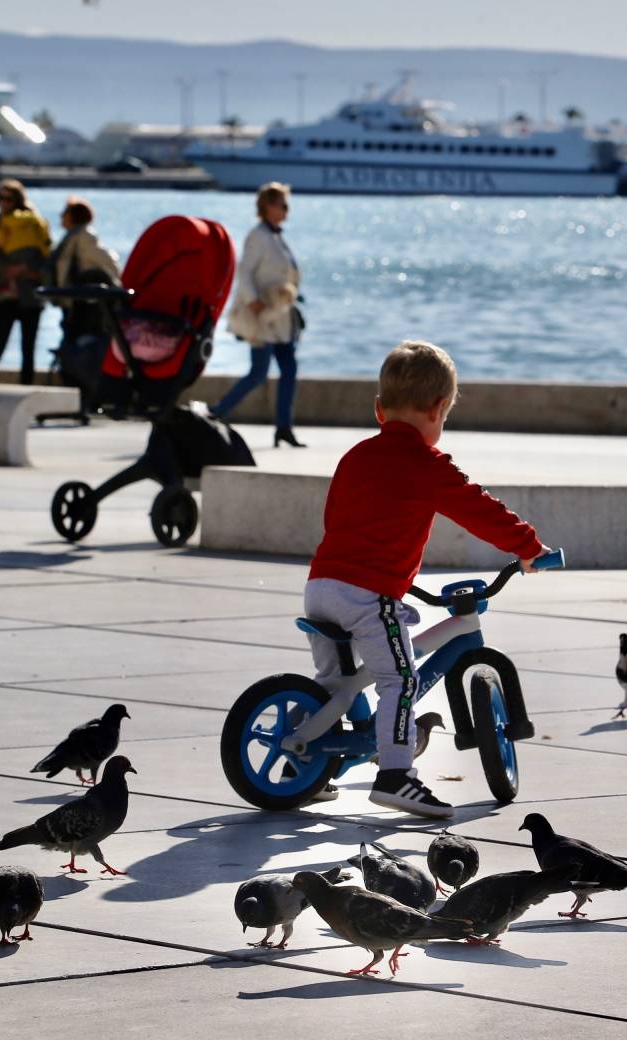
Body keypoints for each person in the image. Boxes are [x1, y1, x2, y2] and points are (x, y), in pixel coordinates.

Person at [304, 340, 550, 818]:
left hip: (321, 587)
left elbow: (340, 519)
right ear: (440, 409)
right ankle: (396, 775)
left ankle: (313, 770)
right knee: (399, 678)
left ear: (380, 410)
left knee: (337, 686)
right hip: (365, 595)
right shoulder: (427, 464)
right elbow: (480, 509)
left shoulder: (356, 456)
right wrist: (528, 548)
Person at [220, 181, 304, 447]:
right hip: (263, 315)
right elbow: (244, 271)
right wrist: (253, 301)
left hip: (280, 316)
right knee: (259, 372)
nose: (286, 210)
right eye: (282, 205)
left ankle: (284, 427)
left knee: (289, 369)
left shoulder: (276, 236)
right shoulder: (258, 236)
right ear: (268, 206)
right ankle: (216, 413)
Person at [49, 197, 122, 406]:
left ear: (74, 216)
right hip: (72, 303)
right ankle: (81, 395)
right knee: (73, 347)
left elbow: (107, 263)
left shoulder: (83, 237)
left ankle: (86, 395)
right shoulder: (72, 237)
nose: (61, 217)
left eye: (65, 212)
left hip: (81, 307)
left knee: (77, 348)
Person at [0, 179, 51, 385]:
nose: (3, 202)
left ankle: (25, 393)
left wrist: (25, 269)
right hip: (5, 295)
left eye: (7, 198)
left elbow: (46, 255)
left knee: (28, 350)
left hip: (29, 295)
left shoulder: (36, 224)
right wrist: (18, 269)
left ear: (17, 200)